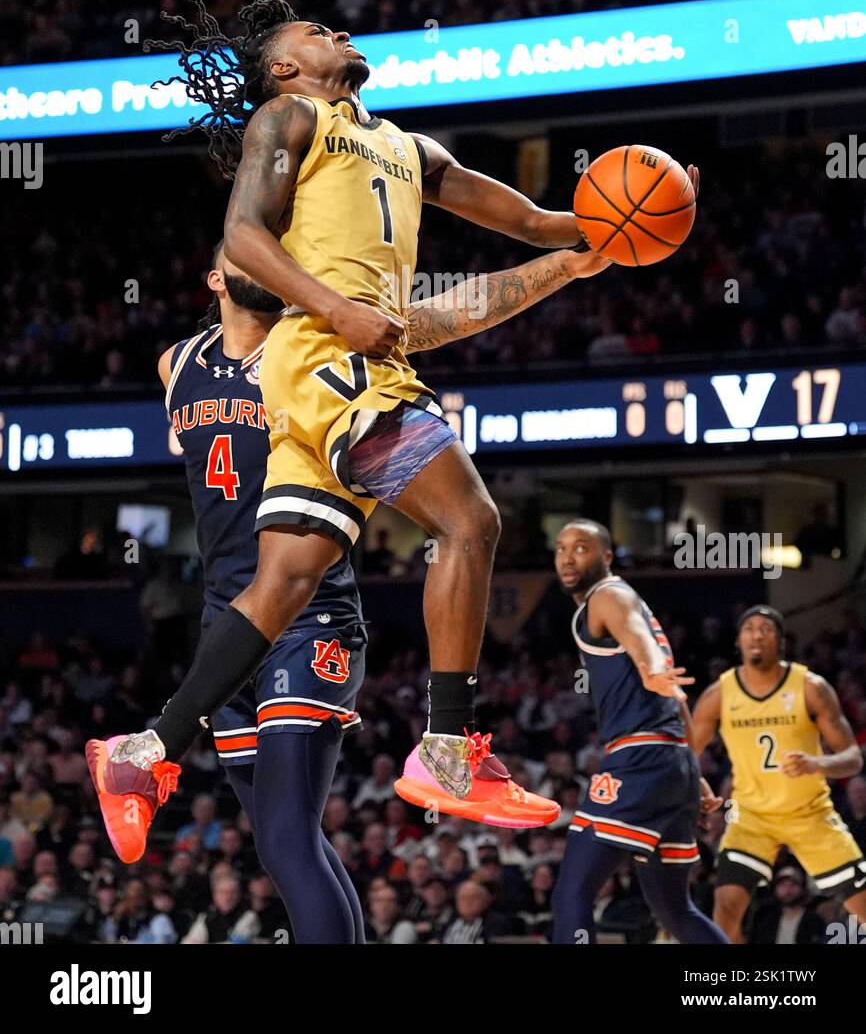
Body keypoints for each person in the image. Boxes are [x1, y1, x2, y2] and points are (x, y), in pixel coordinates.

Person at [90, 0, 644, 835]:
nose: (336, 29)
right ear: (282, 68)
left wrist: (600, 237)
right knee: (470, 520)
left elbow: (533, 226)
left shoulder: (410, 151)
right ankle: (448, 751)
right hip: (322, 362)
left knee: (285, 581)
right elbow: (243, 235)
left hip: (348, 369)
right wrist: (336, 309)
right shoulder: (289, 120)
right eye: (315, 29)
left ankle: (143, 753)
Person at [90, 227, 614, 939]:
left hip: (309, 616)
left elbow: (451, 311)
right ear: (215, 279)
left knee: (288, 837)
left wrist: (562, 266)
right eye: (239, 248)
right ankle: (144, 754)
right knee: (284, 845)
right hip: (229, 621)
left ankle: (146, 750)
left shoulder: (314, 342)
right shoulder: (176, 364)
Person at [550, 519, 727, 945]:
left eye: (581, 547)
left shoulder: (608, 594)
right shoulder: (625, 599)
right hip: (672, 764)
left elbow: (642, 648)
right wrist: (694, 771)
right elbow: (676, 696)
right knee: (674, 910)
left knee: (572, 892)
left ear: (606, 557)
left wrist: (651, 670)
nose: (568, 557)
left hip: (639, 761)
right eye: (561, 548)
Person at [690, 604, 866, 942]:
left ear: (780, 641)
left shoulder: (811, 687)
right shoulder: (719, 695)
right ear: (738, 642)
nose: (757, 634)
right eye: (749, 629)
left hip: (810, 814)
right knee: (724, 909)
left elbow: (853, 758)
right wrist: (694, 786)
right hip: (751, 818)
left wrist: (820, 764)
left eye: (766, 629)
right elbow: (683, 756)